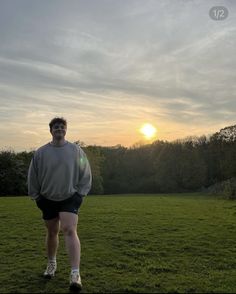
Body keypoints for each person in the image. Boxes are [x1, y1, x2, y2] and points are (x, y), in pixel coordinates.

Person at [27, 117, 92, 292]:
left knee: (70, 229)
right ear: (50, 130)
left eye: (62, 127)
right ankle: (51, 264)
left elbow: (85, 172)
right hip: (47, 198)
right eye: (56, 127)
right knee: (52, 231)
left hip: (70, 197)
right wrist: (37, 197)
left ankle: (75, 274)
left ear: (66, 130)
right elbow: (32, 176)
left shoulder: (76, 151)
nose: (59, 129)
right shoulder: (40, 153)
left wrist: (80, 194)